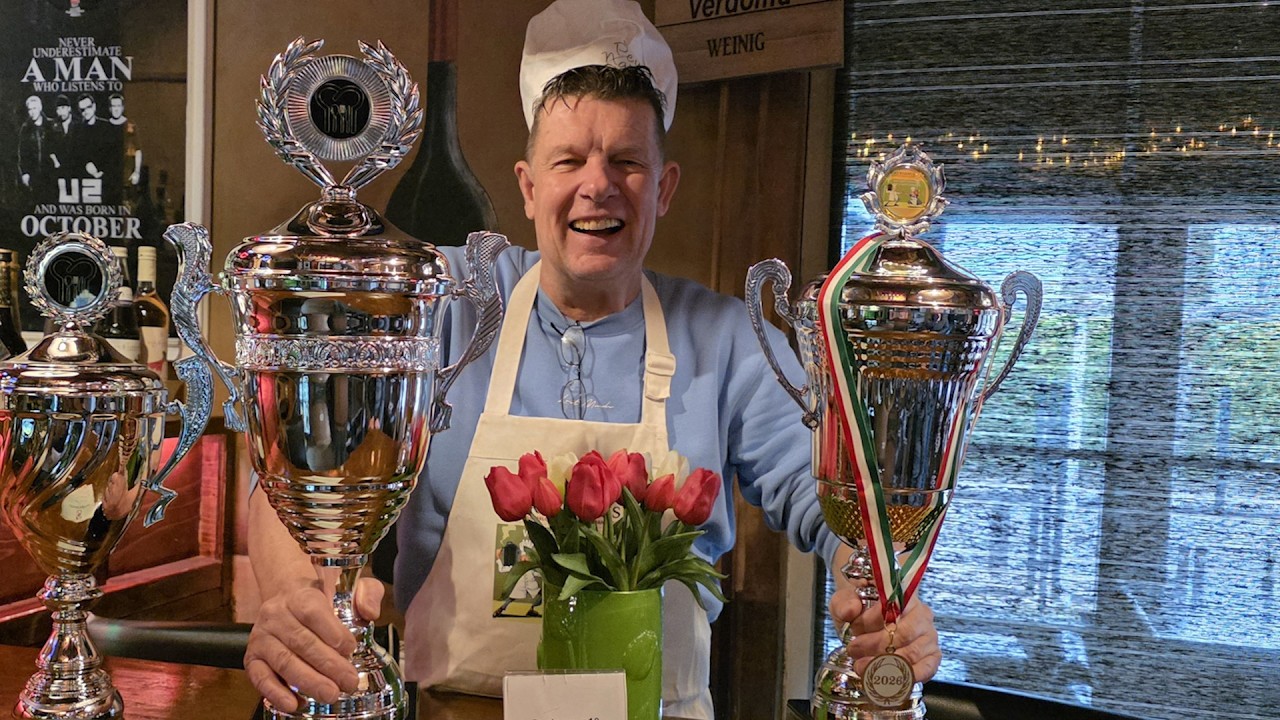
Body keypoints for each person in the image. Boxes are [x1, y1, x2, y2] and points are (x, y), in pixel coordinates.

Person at [244, 2, 940, 718]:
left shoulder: (726, 337)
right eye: (569, 159)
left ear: (663, 188)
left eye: (627, 162)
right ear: (528, 186)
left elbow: (822, 489)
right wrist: (298, 592)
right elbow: (302, 466)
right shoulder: (442, 302)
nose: (597, 185)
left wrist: (879, 578)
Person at [17, 95, 54, 200]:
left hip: (50, 174)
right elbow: (22, 153)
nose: (32, 112)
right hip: (34, 175)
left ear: (40, 108)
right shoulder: (25, 129)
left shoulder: (50, 126)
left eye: (34, 108)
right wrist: (24, 173)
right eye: (30, 109)